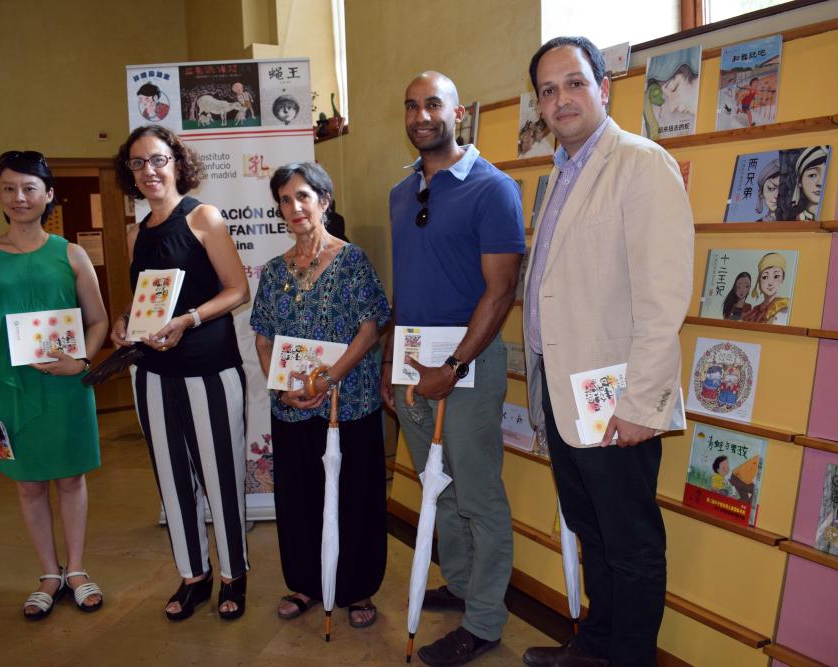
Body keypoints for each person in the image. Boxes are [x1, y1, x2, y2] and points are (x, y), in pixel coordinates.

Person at [521, 37, 693, 667]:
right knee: (590, 530)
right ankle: (595, 647)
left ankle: (628, 658)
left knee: (631, 544)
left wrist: (641, 403)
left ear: (604, 88)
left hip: (619, 403)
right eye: (547, 90)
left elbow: (662, 298)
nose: (561, 99)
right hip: (567, 394)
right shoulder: (562, 173)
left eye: (574, 83)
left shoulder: (641, 163)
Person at [381, 71, 524, 666]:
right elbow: (407, 284)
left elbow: (501, 290)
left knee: (479, 496)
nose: (421, 116)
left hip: (468, 364)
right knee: (438, 487)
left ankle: (485, 621)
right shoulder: (401, 192)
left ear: (458, 113)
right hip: (413, 365)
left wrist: (455, 365)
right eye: (411, 106)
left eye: (433, 104)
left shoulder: (494, 188)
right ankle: (462, 584)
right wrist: (393, 363)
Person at [0, 150, 109, 620]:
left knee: (71, 477)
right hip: (7, 385)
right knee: (28, 484)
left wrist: (81, 361)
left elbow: (98, 320)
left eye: (29, 188)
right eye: (9, 188)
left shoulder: (70, 253)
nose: (19, 197)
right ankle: (48, 574)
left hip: (65, 386)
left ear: (48, 194)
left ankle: (76, 569)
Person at [110, 125, 251, 621]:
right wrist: (124, 321)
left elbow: (238, 290)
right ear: (129, 173)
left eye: (157, 159)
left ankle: (234, 575)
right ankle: (194, 575)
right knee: (172, 480)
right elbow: (145, 302)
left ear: (176, 162)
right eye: (138, 163)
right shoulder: (136, 234)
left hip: (209, 369)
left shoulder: (202, 218)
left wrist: (188, 320)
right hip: (152, 372)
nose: (148, 170)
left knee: (221, 477)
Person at [250, 161, 391, 629]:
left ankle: (357, 588)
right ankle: (306, 583)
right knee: (299, 498)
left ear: (324, 201)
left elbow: (369, 330)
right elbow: (263, 338)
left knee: (355, 497)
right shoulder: (274, 271)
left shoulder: (352, 261)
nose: (294, 207)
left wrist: (327, 381)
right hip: (291, 408)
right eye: (285, 200)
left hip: (348, 405)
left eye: (303, 196)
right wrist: (283, 387)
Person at [741, 252, 789, 325]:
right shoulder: (754, 311)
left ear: (783, 279)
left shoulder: (782, 308)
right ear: (759, 280)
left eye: (776, 276)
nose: (770, 283)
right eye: (765, 277)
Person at [788, 146, 827, 221]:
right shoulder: (790, 222)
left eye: (826, 175)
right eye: (812, 175)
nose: (820, 183)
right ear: (799, 181)